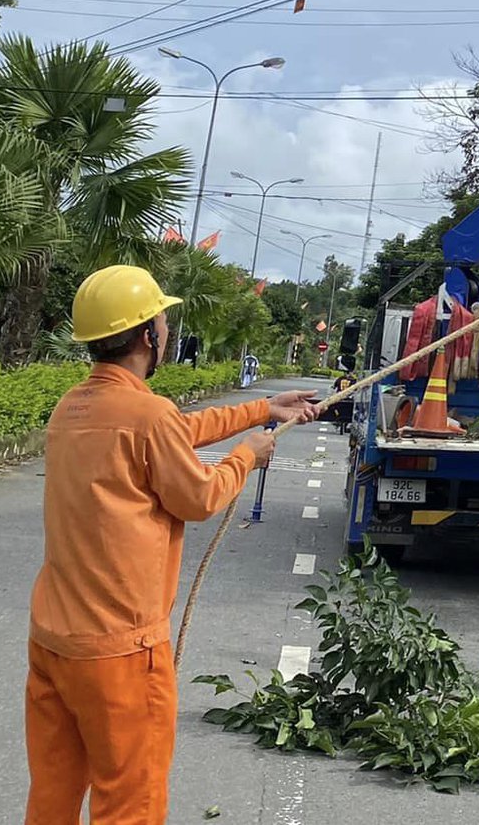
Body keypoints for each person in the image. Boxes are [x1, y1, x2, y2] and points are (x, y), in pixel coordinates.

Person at [26, 264, 320, 825]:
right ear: (148, 336)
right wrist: (247, 456)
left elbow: (171, 432)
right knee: (129, 803)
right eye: (163, 319)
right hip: (120, 650)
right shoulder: (147, 415)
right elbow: (199, 497)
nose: (167, 328)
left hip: (54, 641)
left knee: (53, 796)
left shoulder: (73, 408)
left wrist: (264, 409)